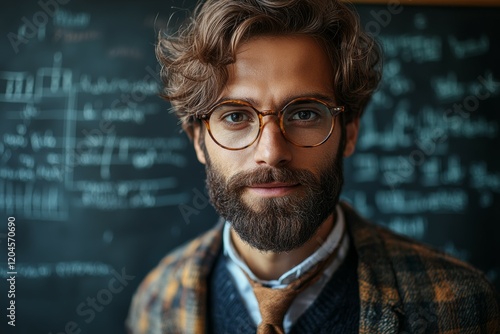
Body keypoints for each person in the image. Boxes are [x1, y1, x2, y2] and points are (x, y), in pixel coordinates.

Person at [127, 0, 500, 333]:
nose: (271, 152)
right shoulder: (155, 302)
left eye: (305, 113)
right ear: (198, 140)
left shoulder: (461, 306)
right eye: (236, 116)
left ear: (349, 131)